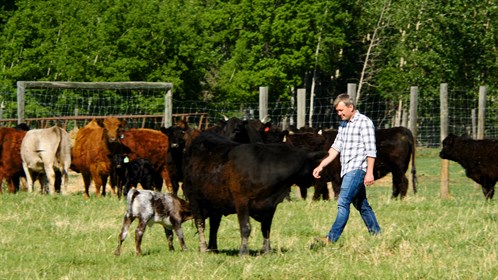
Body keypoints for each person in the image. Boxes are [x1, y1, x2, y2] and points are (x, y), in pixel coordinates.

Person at [313, 93, 381, 243]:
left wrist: (369, 173)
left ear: (351, 107)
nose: (339, 113)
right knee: (361, 204)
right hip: (347, 170)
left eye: (341, 110)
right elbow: (335, 149)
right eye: (337, 111)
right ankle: (377, 235)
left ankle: (331, 239)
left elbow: (371, 149)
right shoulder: (343, 125)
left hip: (357, 169)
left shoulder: (364, 123)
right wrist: (321, 165)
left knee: (343, 202)